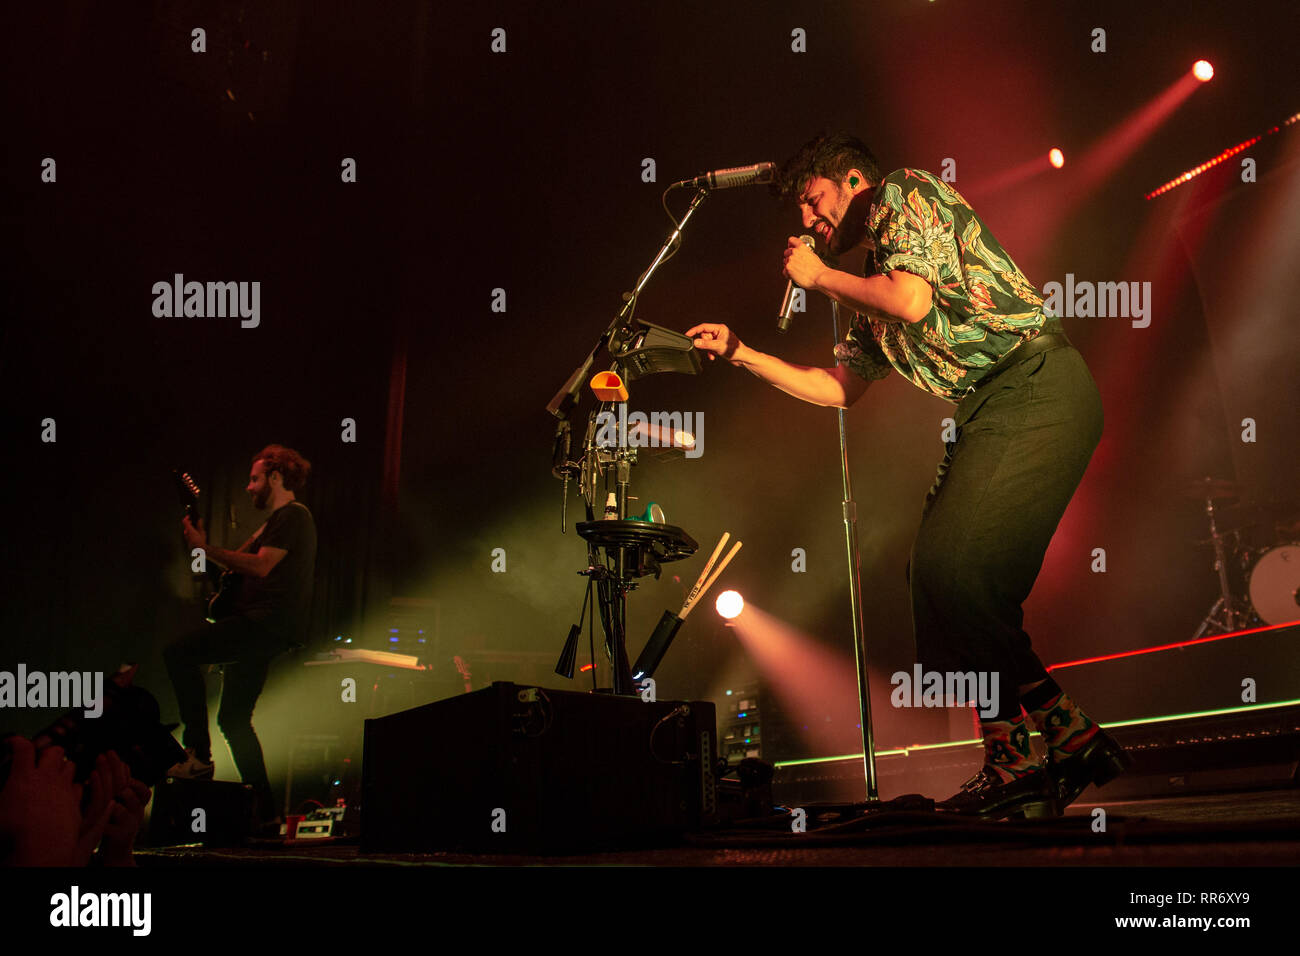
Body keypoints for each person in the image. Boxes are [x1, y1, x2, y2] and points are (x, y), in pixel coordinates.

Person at [686, 132, 1128, 819]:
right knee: (935, 582)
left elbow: (913, 302)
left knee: (955, 571)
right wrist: (743, 352)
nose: (807, 220)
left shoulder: (905, 191)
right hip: (989, 409)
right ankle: (1023, 755)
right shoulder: (871, 280)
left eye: (813, 200)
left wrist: (820, 278)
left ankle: (1062, 733)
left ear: (852, 181)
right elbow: (837, 387)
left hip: (1035, 386)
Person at [165, 444, 316, 832]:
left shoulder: (292, 515)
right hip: (263, 627)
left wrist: (205, 549)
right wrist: (202, 551)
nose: (249, 488)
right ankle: (266, 814)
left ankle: (197, 752)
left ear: (276, 477)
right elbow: (234, 581)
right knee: (233, 720)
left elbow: (262, 566)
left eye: (254, 479)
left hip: (264, 624)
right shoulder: (275, 523)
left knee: (178, 654)